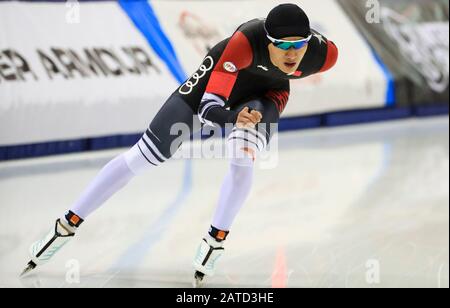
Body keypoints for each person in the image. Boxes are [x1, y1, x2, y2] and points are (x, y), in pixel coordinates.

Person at [21, 3, 338, 286]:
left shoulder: (323, 55)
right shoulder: (242, 45)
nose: (292, 53)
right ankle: (66, 225)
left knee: (243, 156)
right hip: (208, 93)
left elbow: (306, 56)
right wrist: (233, 117)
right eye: (282, 45)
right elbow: (208, 110)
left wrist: (246, 117)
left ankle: (215, 241)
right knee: (143, 158)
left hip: (266, 94)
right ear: (267, 41)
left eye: (298, 44)